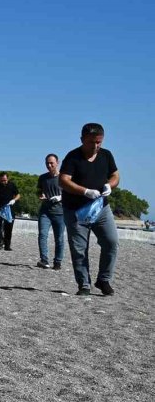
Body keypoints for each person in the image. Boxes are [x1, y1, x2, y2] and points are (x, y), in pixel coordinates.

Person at [59, 122, 120, 296]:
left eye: (99, 142)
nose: (95, 146)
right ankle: (84, 284)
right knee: (79, 249)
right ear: (82, 139)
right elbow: (63, 180)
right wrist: (84, 191)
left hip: (101, 208)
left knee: (111, 242)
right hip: (76, 210)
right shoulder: (73, 157)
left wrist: (110, 185)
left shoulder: (106, 155)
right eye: (91, 142)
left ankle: (104, 279)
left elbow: (115, 175)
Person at [36, 153, 65, 270]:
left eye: (51, 163)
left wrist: (60, 197)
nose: (49, 165)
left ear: (57, 163)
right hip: (45, 212)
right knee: (42, 235)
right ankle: (44, 260)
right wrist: (40, 194)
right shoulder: (42, 178)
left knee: (59, 238)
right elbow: (38, 191)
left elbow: (71, 193)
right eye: (47, 163)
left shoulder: (64, 177)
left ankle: (57, 262)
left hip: (60, 213)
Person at [0, 172, 21, 251]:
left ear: (7, 178)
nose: (3, 182)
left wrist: (14, 200)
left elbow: (18, 195)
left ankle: (7, 245)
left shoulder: (12, 185)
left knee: (8, 227)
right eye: (1, 180)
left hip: (9, 208)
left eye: (5, 180)